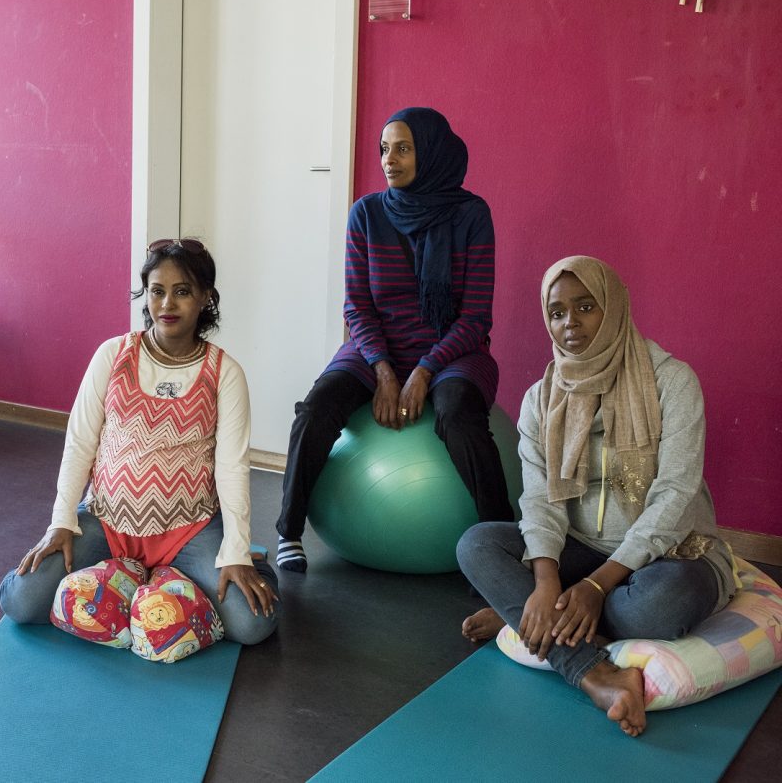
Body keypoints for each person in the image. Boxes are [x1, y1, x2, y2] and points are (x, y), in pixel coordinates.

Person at [456, 256, 737, 737]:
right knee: (476, 544)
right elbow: (540, 498)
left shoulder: (673, 382)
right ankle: (593, 671)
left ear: (613, 306)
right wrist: (545, 582)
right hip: (582, 548)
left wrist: (595, 587)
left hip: (673, 553)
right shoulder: (540, 399)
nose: (571, 324)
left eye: (585, 307)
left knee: (658, 606)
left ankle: (521, 621)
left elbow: (675, 495)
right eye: (558, 312)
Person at [0, 239, 278, 646]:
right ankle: (139, 576)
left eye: (182, 291)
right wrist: (62, 521)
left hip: (189, 531)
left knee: (251, 625)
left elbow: (232, 465)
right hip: (109, 522)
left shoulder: (225, 373)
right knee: (22, 603)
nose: (167, 303)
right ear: (145, 295)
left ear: (205, 297)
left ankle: (251, 561)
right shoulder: (112, 354)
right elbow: (80, 442)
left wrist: (235, 551)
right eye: (157, 291)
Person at [275, 107, 513, 573]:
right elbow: (357, 307)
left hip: (452, 349)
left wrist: (424, 370)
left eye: (402, 148)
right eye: (384, 149)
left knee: (458, 414)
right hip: (376, 346)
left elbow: (475, 318)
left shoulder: (470, 215)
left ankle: (499, 545)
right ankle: (289, 531)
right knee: (317, 407)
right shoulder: (366, 214)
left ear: (430, 152)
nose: (389, 160)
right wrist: (383, 369)